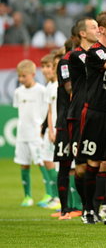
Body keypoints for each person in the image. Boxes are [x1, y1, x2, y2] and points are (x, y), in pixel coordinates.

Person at [79, 11, 106, 225]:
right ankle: (88, 209)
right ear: (101, 29)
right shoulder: (95, 51)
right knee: (93, 163)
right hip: (96, 113)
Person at [67, 17, 100, 219]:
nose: (98, 30)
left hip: (99, 112)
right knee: (81, 167)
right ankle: (87, 207)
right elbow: (97, 66)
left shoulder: (103, 53)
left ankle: (97, 206)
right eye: (94, 27)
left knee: (99, 162)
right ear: (83, 33)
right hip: (79, 113)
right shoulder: (76, 55)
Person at [52, 36, 82, 220]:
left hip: (83, 119)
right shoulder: (65, 62)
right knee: (64, 165)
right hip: (66, 121)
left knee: (88, 165)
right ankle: (65, 209)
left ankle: (90, 207)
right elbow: (70, 87)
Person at [13, 59, 48, 207]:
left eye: (24, 76)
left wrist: (42, 127)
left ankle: (49, 194)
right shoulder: (18, 92)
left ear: (33, 74)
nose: (21, 79)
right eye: (19, 76)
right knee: (24, 165)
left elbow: (46, 110)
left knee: (42, 163)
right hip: (22, 134)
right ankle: (27, 196)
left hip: (36, 134)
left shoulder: (41, 90)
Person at [39, 53, 59, 209]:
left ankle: (59, 197)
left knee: (58, 164)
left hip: (58, 130)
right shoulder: (49, 86)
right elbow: (49, 111)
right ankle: (54, 195)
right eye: (43, 67)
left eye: (48, 67)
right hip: (50, 130)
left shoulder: (58, 86)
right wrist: (45, 127)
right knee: (47, 161)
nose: (45, 70)